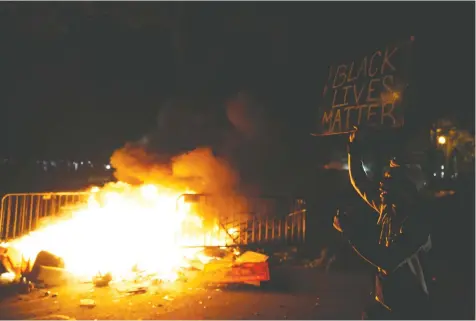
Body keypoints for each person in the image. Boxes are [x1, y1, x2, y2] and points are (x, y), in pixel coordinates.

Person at [333, 127, 433, 320]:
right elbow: (359, 181)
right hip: (389, 303)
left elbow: (387, 261)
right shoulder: (389, 211)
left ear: (407, 190)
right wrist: (354, 147)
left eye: (390, 180)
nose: (381, 184)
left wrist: (349, 232)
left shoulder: (417, 224)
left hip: (411, 310)